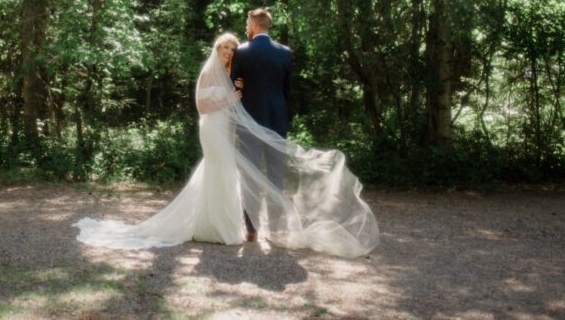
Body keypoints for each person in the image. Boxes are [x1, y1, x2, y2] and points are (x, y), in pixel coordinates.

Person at [73, 16, 379, 258]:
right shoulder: (279, 55)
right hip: (251, 124)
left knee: (236, 177)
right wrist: (234, 99)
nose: (231, 50)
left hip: (239, 127)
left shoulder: (243, 55)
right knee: (259, 176)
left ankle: (245, 229)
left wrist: (236, 99)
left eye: (233, 45)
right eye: (225, 48)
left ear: (253, 25)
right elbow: (279, 93)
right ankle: (252, 229)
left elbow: (238, 89)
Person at [230, 8, 289, 241]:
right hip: (276, 122)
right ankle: (274, 230)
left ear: (254, 25)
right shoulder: (285, 53)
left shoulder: (242, 52)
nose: (246, 27)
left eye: (247, 22)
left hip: (250, 122)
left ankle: (251, 229)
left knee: (250, 175)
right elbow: (287, 91)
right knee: (276, 176)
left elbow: (233, 87)